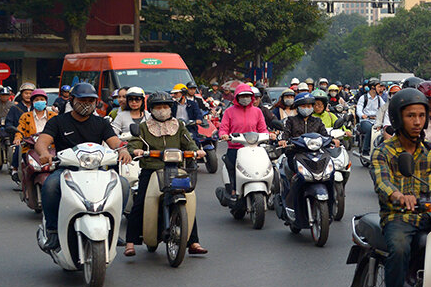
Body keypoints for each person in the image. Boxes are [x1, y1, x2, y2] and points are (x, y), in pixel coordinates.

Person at [368, 86, 431, 287]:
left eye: (421, 116)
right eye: (411, 116)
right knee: (400, 247)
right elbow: (381, 182)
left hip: (428, 218)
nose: (417, 121)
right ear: (398, 118)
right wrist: (398, 195)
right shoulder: (384, 151)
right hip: (397, 217)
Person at [32, 83, 131, 251]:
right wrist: (44, 153)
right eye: (82, 100)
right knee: (50, 186)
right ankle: (53, 230)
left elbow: (115, 142)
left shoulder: (101, 123)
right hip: (66, 170)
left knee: (123, 185)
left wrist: (123, 150)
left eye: (91, 101)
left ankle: (112, 229)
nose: (87, 104)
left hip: (97, 170)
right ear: (72, 100)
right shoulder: (58, 121)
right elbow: (42, 142)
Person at [124, 92, 206, 257]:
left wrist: (196, 151)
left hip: (176, 169)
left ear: (171, 108)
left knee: (188, 200)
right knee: (139, 202)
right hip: (151, 169)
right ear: (151, 109)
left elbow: (188, 142)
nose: (162, 110)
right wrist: (135, 150)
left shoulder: (179, 126)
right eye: (158, 107)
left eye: (166, 106)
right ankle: (130, 242)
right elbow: (134, 144)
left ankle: (194, 241)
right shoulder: (143, 127)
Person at [217, 84, 269, 197]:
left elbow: (262, 128)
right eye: (242, 96)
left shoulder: (257, 112)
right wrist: (224, 135)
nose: (245, 98)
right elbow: (223, 128)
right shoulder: (229, 112)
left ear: (252, 97)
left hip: (254, 148)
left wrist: (268, 135)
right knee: (232, 166)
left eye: (248, 95)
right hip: (235, 148)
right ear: (237, 97)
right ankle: (234, 189)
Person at [355, 79, 386, 156]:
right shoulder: (363, 97)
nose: (381, 89)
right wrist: (362, 115)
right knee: (370, 129)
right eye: (379, 87)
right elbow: (358, 109)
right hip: (365, 121)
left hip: (376, 121)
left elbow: (385, 108)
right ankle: (365, 150)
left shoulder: (379, 98)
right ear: (373, 87)